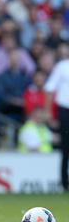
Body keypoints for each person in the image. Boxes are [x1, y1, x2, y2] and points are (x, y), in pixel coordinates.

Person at [44, 56, 69, 191]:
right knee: (65, 148)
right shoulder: (62, 66)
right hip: (65, 110)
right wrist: (48, 111)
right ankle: (65, 183)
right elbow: (50, 88)